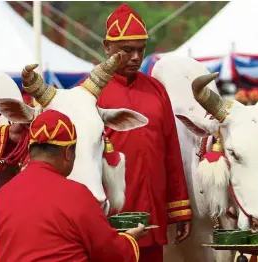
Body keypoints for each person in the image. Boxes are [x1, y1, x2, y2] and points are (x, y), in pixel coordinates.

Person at [96, 4, 192, 261]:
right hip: (108, 220)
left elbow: (172, 152)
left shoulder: (157, 90)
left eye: (141, 50)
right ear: (107, 47)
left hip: (152, 211)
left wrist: (180, 209)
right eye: (127, 50)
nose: (136, 57)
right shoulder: (90, 92)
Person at [0, 109, 147, 262]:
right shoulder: (78, 195)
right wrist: (130, 239)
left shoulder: (1, 195)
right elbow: (112, 254)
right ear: (68, 153)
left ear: (31, 150)